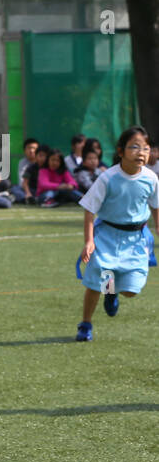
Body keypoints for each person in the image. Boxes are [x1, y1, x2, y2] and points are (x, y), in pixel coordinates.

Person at [75, 126, 159, 341]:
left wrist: (157, 226)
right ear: (120, 151)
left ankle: (111, 292)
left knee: (132, 290)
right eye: (135, 147)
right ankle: (86, 324)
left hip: (137, 240)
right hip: (107, 237)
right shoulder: (107, 178)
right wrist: (89, 241)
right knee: (97, 282)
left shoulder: (151, 179)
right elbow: (89, 209)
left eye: (146, 148)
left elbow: (155, 205)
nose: (141, 152)